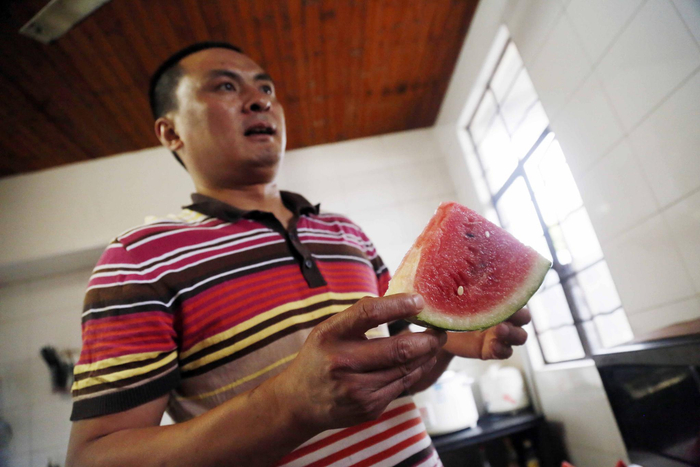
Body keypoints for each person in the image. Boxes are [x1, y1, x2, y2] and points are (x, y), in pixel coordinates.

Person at [65, 42, 530, 467]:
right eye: (225, 86)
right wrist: (288, 406)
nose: (259, 100)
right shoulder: (138, 257)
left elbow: (393, 381)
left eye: (266, 88)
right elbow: (93, 458)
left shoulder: (346, 232)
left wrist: (448, 342)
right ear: (170, 132)